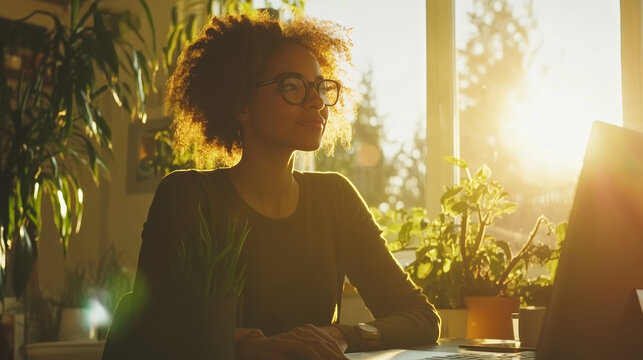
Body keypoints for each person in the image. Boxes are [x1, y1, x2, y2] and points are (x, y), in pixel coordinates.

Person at [128, 12, 440, 360]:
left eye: (321, 87)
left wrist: (341, 335)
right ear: (241, 105)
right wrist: (249, 347)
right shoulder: (187, 196)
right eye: (292, 85)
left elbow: (423, 318)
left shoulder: (335, 199)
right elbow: (150, 325)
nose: (317, 101)